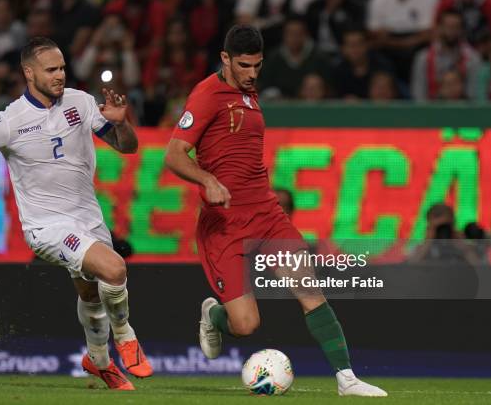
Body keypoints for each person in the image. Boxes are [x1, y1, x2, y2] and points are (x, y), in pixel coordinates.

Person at [164, 25, 387, 397]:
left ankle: (347, 379)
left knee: (309, 287)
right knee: (246, 324)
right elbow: (173, 154)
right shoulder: (207, 94)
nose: (252, 73)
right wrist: (207, 180)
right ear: (225, 59)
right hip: (224, 223)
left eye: (258, 65)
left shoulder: (251, 95)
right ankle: (213, 316)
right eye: (245, 65)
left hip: (266, 213)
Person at [0, 37, 152, 391]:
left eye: (62, 68)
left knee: (90, 294)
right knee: (115, 268)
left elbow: (128, 148)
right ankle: (126, 336)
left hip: (88, 219)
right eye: (51, 70)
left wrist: (121, 123)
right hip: (46, 227)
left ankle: (98, 361)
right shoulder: (9, 121)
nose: (60, 75)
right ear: (29, 73)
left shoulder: (81, 102)